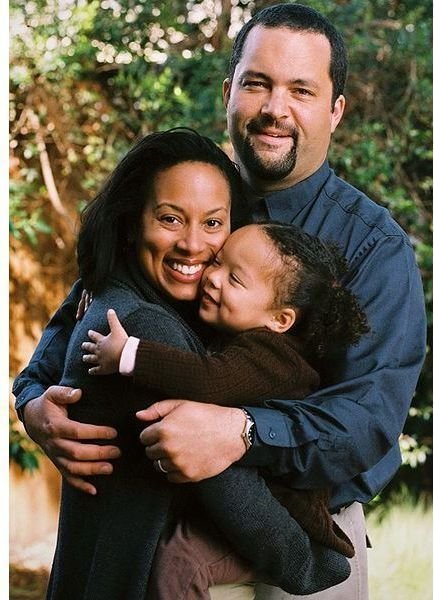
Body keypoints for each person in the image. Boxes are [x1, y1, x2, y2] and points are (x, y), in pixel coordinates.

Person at [13, 4, 426, 600]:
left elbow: (366, 423)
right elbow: (88, 306)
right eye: (257, 83)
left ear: (335, 110)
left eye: (301, 90)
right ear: (229, 92)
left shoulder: (371, 248)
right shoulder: (187, 192)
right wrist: (33, 407)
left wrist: (242, 431)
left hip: (297, 536)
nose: (274, 108)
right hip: (154, 528)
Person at [32, 128, 352, 599]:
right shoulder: (143, 328)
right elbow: (219, 475)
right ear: (132, 220)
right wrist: (304, 563)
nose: (193, 246)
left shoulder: (117, 294)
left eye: (213, 223)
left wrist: (27, 397)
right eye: (169, 218)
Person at [81, 221, 369, 599]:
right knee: (169, 555)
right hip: (226, 509)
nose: (212, 278)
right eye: (217, 263)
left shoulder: (273, 356)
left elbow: (209, 381)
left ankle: (312, 563)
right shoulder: (234, 329)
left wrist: (129, 354)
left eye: (235, 279)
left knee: (179, 563)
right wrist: (103, 295)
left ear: (279, 319)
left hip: (280, 514)